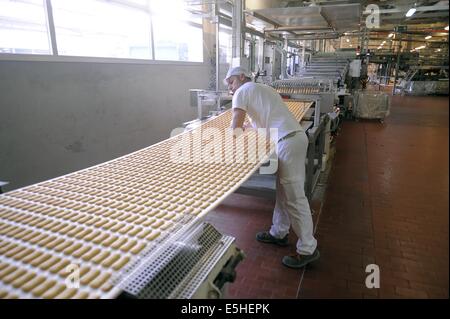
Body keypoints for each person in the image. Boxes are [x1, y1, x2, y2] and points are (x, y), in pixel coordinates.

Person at [225, 66, 320, 269]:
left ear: (242, 77)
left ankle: (307, 249)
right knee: (284, 193)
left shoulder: (242, 92)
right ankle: (279, 232)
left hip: (288, 142)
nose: (230, 89)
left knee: (294, 197)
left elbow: (235, 127)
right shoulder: (263, 89)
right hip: (293, 139)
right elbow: (258, 124)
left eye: (231, 82)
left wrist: (225, 147)